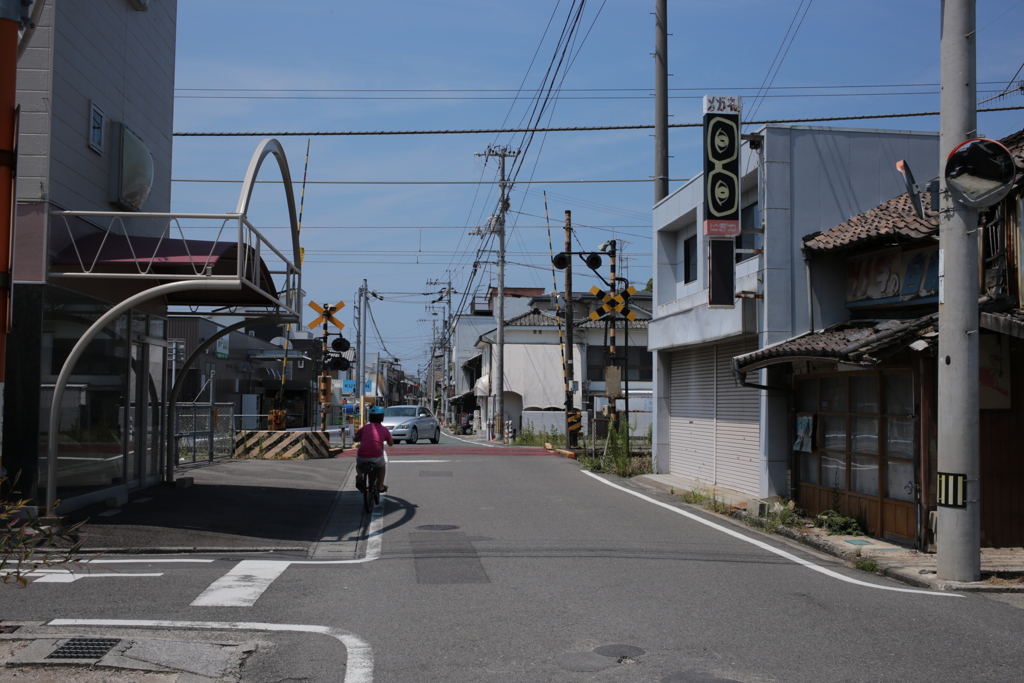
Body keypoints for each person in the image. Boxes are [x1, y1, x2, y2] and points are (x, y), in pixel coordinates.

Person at [354, 405, 393, 492]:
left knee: (359, 465)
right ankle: (380, 486)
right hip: (376, 457)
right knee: (382, 467)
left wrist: (360, 438)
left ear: (370, 418)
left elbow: (355, 438)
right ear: (382, 419)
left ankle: (360, 476)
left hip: (362, 456)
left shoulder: (364, 428)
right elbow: (390, 444)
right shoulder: (384, 430)